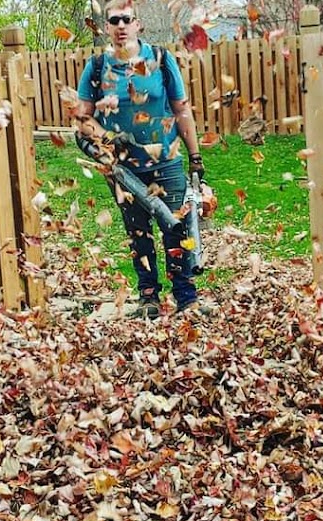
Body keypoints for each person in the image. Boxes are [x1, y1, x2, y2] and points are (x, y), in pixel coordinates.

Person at [73, 0, 209, 319]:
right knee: (138, 232)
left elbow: (181, 109)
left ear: (138, 24)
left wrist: (195, 156)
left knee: (177, 227)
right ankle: (149, 296)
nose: (121, 26)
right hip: (123, 168)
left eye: (126, 19)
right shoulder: (97, 67)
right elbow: (82, 119)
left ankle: (186, 297)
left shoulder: (160, 59)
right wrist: (107, 136)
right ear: (106, 27)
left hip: (166, 160)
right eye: (114, 21)